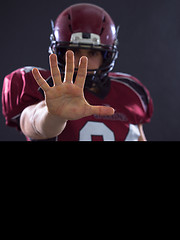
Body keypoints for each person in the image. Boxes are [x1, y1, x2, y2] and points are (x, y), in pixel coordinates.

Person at [2, 3, 153, 141]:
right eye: (74, 51)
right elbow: (31, 123)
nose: (83, 61)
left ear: (107, 56)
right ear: (60, 53)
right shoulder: (47, 87)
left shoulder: (130, 91)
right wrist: (53, 114)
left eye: (93, 53)